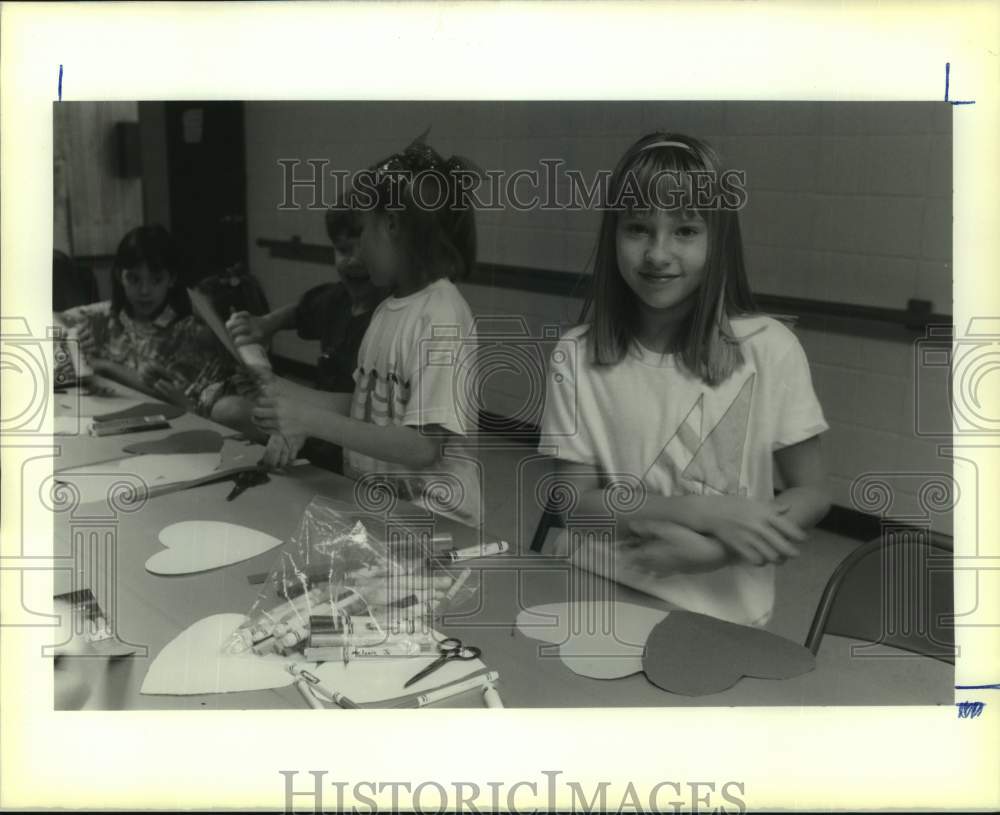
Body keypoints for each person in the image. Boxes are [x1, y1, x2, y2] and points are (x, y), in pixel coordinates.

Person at [539, 132, 831, 626]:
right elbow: (574, 505)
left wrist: (718, 551)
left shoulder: (769, 347)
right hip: (599, 591)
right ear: (612, 236)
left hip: (720, 616)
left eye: (686, 231)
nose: (658, 253)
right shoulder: (577, 353)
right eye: (637, 229)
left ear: (719, 242)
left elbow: (814, 492)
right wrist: (702, 513)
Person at [251, 134, 483, 528]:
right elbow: (368, 406)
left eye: (362, 232)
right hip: (383, 513)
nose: (355, 254)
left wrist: (311, 421)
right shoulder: (386, 310)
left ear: (391, 225)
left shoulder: (442, 316)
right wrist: (288, 396)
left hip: (437, 525)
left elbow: (423, 446)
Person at [226, 207, 386, 471]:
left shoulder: (389, 320)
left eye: (365, 251)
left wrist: (297, 413)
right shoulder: (336, 299)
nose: (354, 262)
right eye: (344, 250)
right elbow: (301, 311)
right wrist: (264, 324)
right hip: (315, 423)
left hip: (355, 438)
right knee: (229, 410)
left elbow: (368, 411)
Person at [55, 224, 254, 425]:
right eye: (133, 279)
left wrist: (106, 366)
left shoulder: (188, 329)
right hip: (113, 414)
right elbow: (50, 318)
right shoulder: (103, 316)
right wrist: (69, 337)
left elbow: (173, 394)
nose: (144, 290)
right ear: (119, 276)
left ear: (171, 279)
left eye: (156, 280)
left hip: (180, 422)